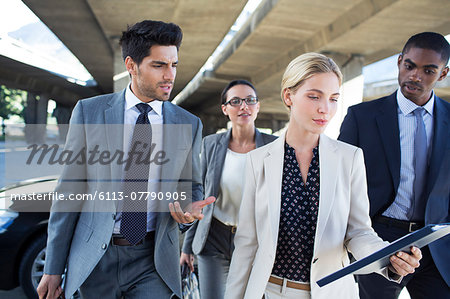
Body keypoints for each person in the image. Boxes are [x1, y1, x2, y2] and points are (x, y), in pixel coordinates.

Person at [36, 20, 214, 299]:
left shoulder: (188, 124)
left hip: (153, 260)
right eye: (159, 65)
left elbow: (191, 186)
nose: (170, 75)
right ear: (131, 65)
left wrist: (188, 212)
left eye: (174, 65)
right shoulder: (90, 113)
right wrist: (53, 268)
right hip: (96, 257)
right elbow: (68, 193)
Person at [224, 52, 422, 299]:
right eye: (314, 96)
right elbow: (246, 244)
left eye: (333, 99)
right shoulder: (258, 160)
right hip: (270, 291)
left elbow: (359, 232)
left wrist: (388, 258)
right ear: (289, 96)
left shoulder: (349, 158)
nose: (325, 109)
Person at [339, 32, 450, 298]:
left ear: (443, 74)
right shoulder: (361, 117)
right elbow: (339, 183)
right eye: (409, 66)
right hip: (379, 237)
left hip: (434, 243)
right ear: (400, 62)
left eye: (428, 70)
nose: (415, 76)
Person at [179, 79, 276, 298]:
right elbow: (200, 197)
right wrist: (187, 247)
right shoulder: (210, 144)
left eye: (250, 100)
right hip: (215, 237)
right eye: (236, 101)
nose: (244, 106)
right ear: (225, 109)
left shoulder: (275, 146)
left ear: (258, 106)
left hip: (256, 240)